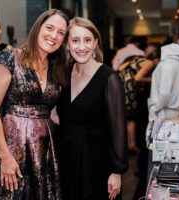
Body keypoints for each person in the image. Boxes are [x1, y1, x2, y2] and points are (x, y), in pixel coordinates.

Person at [0, 9, 69, 200]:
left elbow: (53, 113)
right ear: (37, 28)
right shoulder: (10, 58)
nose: (54, 36)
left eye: (61, 32)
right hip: (10, 148)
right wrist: (5, 157)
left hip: (43, 152)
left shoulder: (57, 69)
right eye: (50, 28)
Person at [55, 17, 128, 200]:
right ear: (67, 45)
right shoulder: (63, 74)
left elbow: (118, 130)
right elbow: (61, 117)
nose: (81, 47)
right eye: (75, 40)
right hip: (66, 160)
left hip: (97, 164)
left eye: (87, 40)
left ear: (95, 43)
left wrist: (116, 172)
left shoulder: (109, 78)